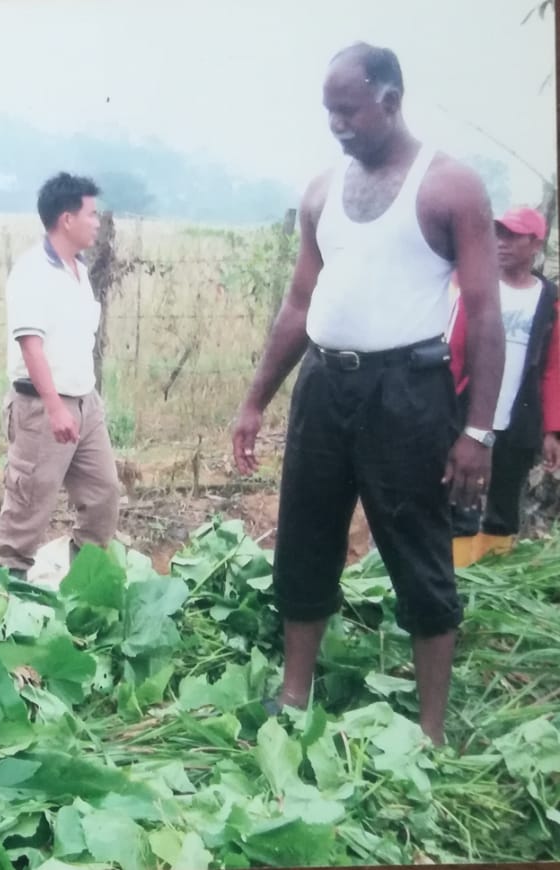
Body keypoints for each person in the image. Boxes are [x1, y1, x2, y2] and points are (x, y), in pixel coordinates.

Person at [230, 43, 505, 746]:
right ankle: (294, 696)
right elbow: (298, 303)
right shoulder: (322, 192)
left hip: (408, 392)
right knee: (306, 538)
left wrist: (477, 433)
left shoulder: (449, 187)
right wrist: (257, 398)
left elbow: (485, 313)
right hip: (325, 386)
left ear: (389, 98)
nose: (337, 123)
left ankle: (433, 731)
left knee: (417, 547)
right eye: (328, 110)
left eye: (347, 108)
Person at [0, 172, 122, 580]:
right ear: (67, 219)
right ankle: (8, 592)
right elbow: (31, 345)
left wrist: (82, 406)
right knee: (30, 503)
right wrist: (54, 409)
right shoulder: (33, 271)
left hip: (85, 402)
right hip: (41, 406)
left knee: (104, 493)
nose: (97, 222)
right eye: (91, 214)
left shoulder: (79, 271)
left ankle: (85, 583)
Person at [447, 205, 560, 564]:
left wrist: (551, 430)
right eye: (499, 234)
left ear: (536, 243)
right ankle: (457, 572)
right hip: (467, 407)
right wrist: (443, 406)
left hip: (518, 414)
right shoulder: (476, 284)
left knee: (504, 500)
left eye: (513, 236)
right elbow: (455, 349)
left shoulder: (549, 300)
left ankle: (493, 575)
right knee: (459, 495)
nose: (502, 242)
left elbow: (553, 368)